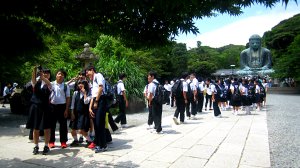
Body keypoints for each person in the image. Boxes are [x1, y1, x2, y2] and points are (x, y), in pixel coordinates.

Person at [26, 66, 52, 155]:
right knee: (35, 128)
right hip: (35, 107)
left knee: (46, 128)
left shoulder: (49, 84)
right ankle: (36, 146)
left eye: (47, 73)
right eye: (44, 73)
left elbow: (49, 85)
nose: (45, 74)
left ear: (49, 75)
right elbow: (33, 80)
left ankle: (46, 146)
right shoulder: (36, 83)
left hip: (45, 108)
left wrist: (43, 78)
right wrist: (34, 70)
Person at [87, 65, 108, 153]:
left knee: (99, 123)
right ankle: (99, 144)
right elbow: (92, 95)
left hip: (100, 100)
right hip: (96, 101)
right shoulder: (92, 80)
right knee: (96, 124)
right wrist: (90, 108)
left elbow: (100, 88)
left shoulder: (98, 75)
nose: (87, 74)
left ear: (92, 70)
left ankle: (103, 145)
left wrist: (96, 101)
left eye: (87, 72)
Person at [49, 69, 71, 149]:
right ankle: (51, 141)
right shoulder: (51, 84)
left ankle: (63, 141)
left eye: (62, 74)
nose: (60, 75)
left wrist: (66, 109)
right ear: (56, 75)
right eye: (59, 74)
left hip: (62, 106)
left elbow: (68, 98)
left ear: (64, 77)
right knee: (52, 125)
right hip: (52, 106)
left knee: (63, 125)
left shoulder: (65, 86)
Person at [69, 80, 93, 147]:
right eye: (79, 83)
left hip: (83, 114)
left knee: (81, 130)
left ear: (85, 85)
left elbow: (86, 102)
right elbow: (73, 104)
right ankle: (75, 140)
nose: (80, 85)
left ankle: (90, 141)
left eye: (82, 83)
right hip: (76, 113)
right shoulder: (76, 93)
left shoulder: (89, 93)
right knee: (72, 129)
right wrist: (72, 112)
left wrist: (84, 93)